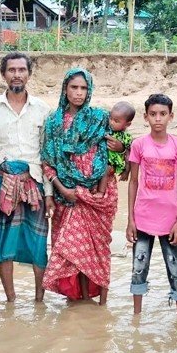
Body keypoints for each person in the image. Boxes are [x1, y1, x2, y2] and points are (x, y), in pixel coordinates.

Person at [0, 52, 54, 303]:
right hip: (2, 184)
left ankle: (39, 300)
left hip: (36, 184)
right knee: (5, 245)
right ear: (3, 74)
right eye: (12, 70)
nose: (17, 74)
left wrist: (50, 193)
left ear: (29, 74)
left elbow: (48, 155)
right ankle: (11, 300)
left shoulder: (43, 110)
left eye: (22, 70)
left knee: (38, 242)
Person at [40, 68, 119, 305]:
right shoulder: (53, 122)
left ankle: (94, 304)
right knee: (70, 251)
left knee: (96, 250)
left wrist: (121, 150)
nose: (79, 93)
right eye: (74, 87)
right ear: (65, 89)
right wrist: (61, 190)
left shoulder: (100, 118)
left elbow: (116, 152)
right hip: (67, 197)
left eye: (84, 88)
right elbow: (47, 161)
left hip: (96, 194)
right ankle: (76, 299)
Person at [126, 94, 177, 317]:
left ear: (171, 116)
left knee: (176, 270)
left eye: (163, 114)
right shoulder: (139, 144)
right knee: (138, 269)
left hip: (170, 221)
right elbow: (133, 182)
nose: (158, 119)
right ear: (145, 117)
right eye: (153, 114)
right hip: (143, 219)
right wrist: (130, 220)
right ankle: (137, 317)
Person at [95, 101, 135, 196]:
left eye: (116, 121)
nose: (111, 122)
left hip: (111, 162)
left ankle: (101, 191)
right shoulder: (106, 128)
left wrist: (126, 171)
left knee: (105, 169)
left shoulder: (126, 137)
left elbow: (128, 156)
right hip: (101, 159)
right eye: (111, 118)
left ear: (127, 124)